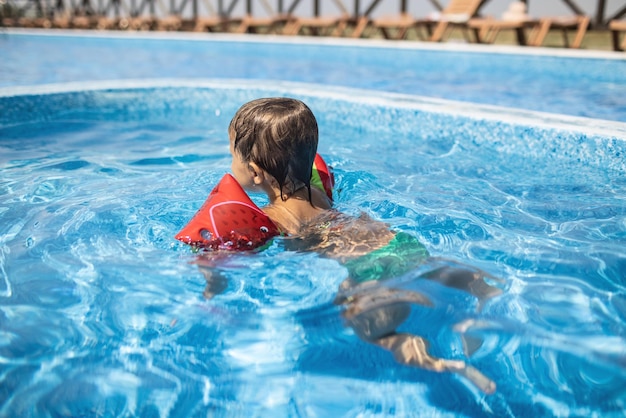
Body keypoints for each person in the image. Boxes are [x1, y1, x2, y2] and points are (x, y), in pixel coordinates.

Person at [205, 97, 500, 394]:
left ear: (255, 172)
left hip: (365, 270)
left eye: (232, 154)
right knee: (436, 269)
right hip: (397, 242)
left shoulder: (272, 218)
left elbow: (226, 254)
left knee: (359, 321)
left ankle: (411, 346)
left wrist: (211, 281)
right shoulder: (320, 192)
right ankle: (481, 296)